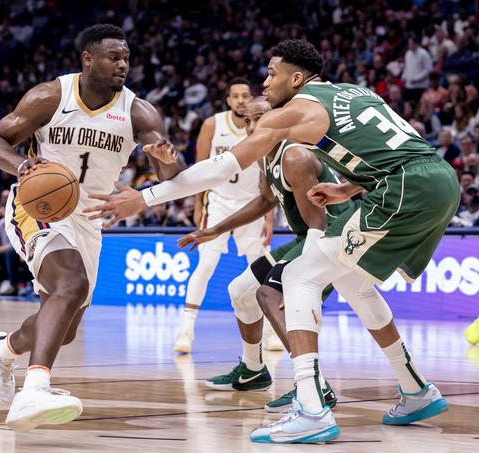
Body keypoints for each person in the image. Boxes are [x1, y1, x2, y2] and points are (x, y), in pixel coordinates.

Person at [87, 39, 458, 443]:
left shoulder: (297, 112)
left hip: (405, 189)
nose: (265, 82)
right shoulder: (354, 91)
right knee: (354, 283)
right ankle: (416, 389)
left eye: (271, 72)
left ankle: (312, 407)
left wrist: (145, 197)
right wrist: (348, 187)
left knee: (298, 279)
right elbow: (395, 148)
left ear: (296, 78)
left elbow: (222, 167)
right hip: (437, 179)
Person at [0, 24, 182, 432]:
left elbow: (171, 174)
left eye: (126, 58)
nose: (123, 65)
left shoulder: (139, 111)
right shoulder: (50, 95)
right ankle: (35, 388)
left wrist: (165, 157)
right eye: (113, 57)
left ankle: (4, 349)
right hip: (38, 206)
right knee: (69, 285)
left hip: (90, 218)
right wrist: (20, 165)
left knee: (65, 328)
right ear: (88, 59)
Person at [178, 128, 351, 412]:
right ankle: (253, 370)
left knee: (272, 296)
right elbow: (265, 201)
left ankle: (313, 384)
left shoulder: (294, 154)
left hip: (332, 235)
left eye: (261, 116)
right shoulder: (264, 158)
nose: (254, 124)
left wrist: (304, 272)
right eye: (249, 120)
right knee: (240, 291)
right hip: (306, 235)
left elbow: (319, 224)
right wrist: (216, 229)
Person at [173, 83, 274, 354]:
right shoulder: (212, 124)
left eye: (245, 96)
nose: (240, 101)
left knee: (261, 265)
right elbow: (200, 168)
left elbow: (269, 173)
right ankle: (186, 329)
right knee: (206, 264)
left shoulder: (263, 124)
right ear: (227, 99)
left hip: (252, 203)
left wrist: (269, 216)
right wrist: (197, 203)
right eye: (235, 96)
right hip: (217, 203)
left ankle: (272, 330)